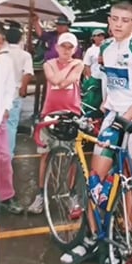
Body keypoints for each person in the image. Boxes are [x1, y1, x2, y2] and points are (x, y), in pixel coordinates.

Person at [59, 2, 132, 264]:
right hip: (113, 116)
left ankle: (125, 240)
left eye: (125, 20)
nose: (118, 24)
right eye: (114, 19)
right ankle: (93, 237)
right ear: (109, 20)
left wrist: (124, 121)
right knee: (96, 178)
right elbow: (110, 86)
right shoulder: (105, 48)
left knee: (128, 184)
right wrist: (101, 112)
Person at [28, 32, 84, 215]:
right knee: (45, 156)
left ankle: (70, 194)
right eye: (63, 46)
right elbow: (55, 81)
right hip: (49, 115)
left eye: (70, 47)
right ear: (57, 47)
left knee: (72, 158)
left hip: (71, 115)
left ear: (75, 49)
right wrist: (70, 66)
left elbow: (66, 81)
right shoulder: (48, 64)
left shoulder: (79, 64)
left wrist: (72, 67)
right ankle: (40, 194)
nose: (67, 51)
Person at [0, 22, 24, 215]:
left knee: (4, 158)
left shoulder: (5, 61)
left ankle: (6, 196)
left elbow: (10, 87)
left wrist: (6, 107)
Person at [2, 25, 35, 156]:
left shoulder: (1, 52)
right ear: (20, 39)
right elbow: (27, 73)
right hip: (15, 93)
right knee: (11, 125)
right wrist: (23, 88)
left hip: (0, 93)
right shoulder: (25, 55)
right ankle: (8, 155)